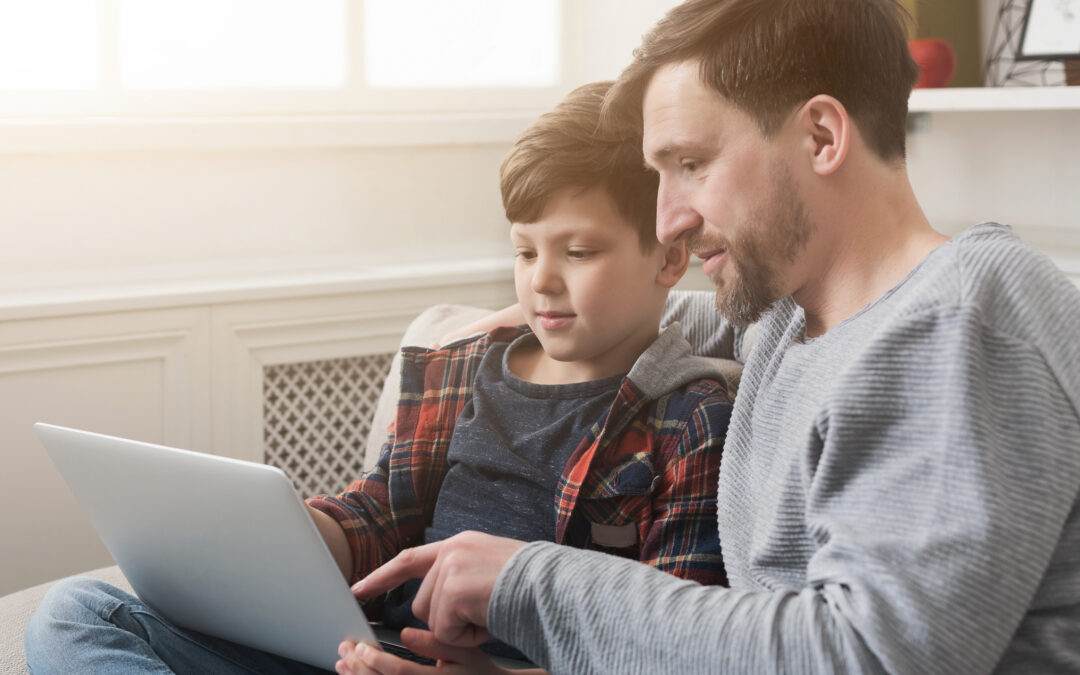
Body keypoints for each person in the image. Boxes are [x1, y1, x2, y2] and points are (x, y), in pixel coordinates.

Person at [336, 0, 1080, 673]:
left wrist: (527, 581)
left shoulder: (968, 316)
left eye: (690, 165)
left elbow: (865, 656)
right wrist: (538, 316)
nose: (668, 221)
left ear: (821, 136)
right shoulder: (792, 314)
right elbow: (705, 321)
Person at [25, 81, 735, 674]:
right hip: (360, 649)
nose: (541, 279)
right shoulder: (460, 369)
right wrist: (290, 535)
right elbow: (382, 516)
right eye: (523, 250)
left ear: (670, 260)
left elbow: (665, 641)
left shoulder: (688, 421)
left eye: (578, 250)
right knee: (76, 611)